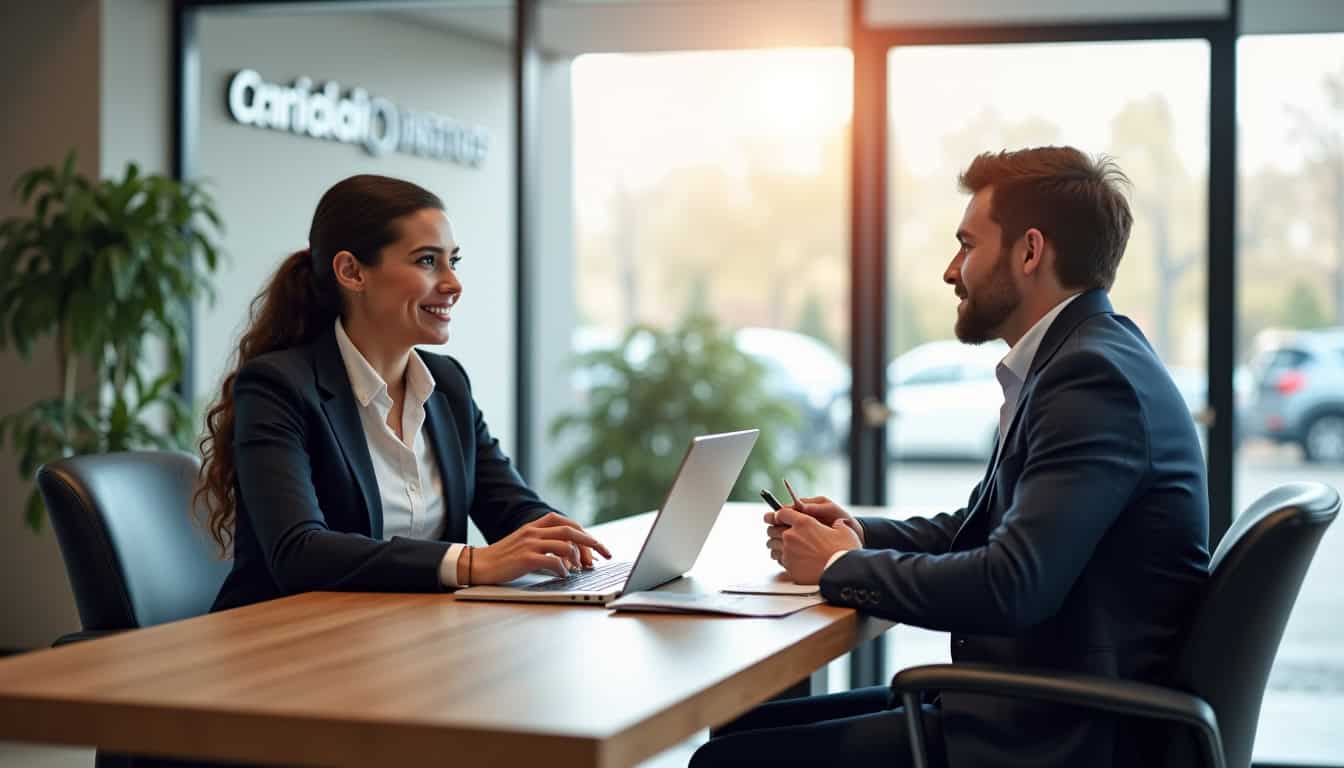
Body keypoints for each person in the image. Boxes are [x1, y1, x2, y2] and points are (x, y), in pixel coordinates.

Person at [692, 146, 1210, 768]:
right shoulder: (1082, 358)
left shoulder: (1090, 381)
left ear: (1029, 252)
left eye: (967, 244)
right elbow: (979, 532)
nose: (950, 270)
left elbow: (1010, 584)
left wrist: (841, 566)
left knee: (728, 762)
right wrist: (855, 534)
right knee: (741, 735)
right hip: (1042, 709)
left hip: (1057, 736)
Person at [197, 174, 610, 612]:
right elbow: (298, 552)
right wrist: (470, 562)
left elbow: (510, 509)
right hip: (287, 643)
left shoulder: (447, 384)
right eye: (428, 262)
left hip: (409, 636)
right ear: (352, 272)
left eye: (454, 260)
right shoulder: (278, 387)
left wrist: (565, 543)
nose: (453, 283)